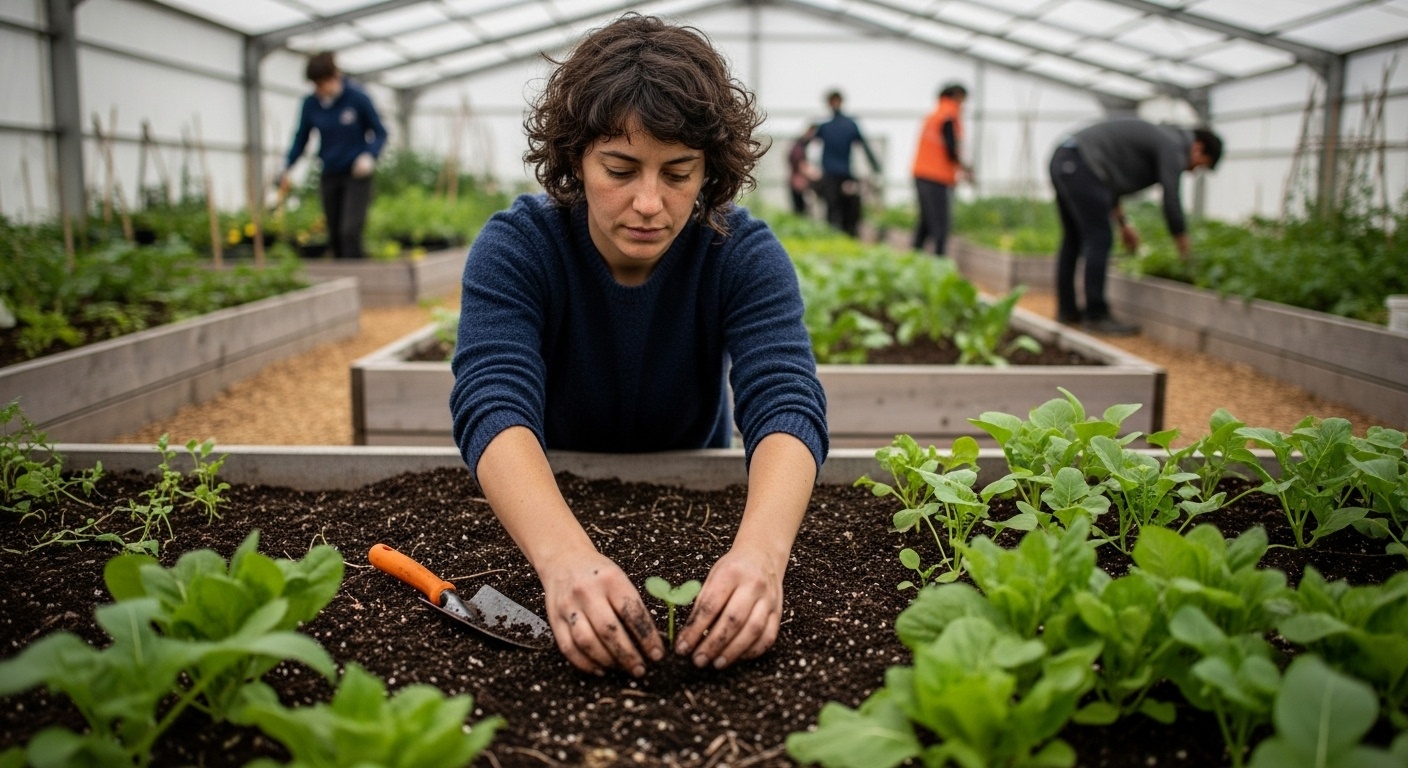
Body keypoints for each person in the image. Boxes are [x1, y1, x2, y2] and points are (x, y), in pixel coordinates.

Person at [448, 14, 829, 679]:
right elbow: (491, 397)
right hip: (547, 490)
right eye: (620, 169)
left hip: (694, 486)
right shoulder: (519, 247)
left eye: (678, 173)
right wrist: (563, 560)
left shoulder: (740, 253)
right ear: (575, 160)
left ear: (710, 172)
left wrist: (761, 558)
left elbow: (786, 397)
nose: (649, 203)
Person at [1049, 117, 1222, 335]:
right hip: (1080, 162)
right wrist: (1184, 248)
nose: (1193, 171)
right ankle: (1096, 315)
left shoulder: (1163, 138)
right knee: (1099, 238)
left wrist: (1124, 225)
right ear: (1198, 148)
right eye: (1201, 165)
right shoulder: (1173, 146)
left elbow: (1107, 181)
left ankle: (1067, 311)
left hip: (1067, 157)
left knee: (1073, 238)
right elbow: (1171, 199)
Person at [279, 51, 388, 259]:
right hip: (330, 173)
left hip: (356, 175)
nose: (319, 89)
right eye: (315, 85)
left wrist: (369, 156)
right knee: (335, 235)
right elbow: (301, 138)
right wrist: (286, 165)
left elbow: (380, 132)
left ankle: (358, 275)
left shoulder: (357, 97)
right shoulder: (311, 104)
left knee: (349, 231)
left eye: (322, 83)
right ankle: (343, 276)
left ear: (334, 76)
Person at [810, 90, 881, 237]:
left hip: (837, 174)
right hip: (839, 174)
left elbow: (806, 143)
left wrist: (875, 167)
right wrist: (876, 167)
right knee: (842, 210)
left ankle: (838, 237)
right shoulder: (844, 125)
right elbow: (865, 147)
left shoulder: (828, 127)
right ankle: (842, 237)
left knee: (837, 209)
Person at [910, 83, 970, 256]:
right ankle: (939, 260)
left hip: (922, 173)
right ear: (956, 96)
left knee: (926, 220)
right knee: (940, 223)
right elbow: (951, 148)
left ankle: (913, 257)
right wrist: (964, 167)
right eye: (963, 100)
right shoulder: (948, 115)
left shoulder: (934, 115)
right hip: (936, 175)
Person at [787, 124, 819, 215]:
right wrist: (815, 174)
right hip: (798, 182)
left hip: (799, 181)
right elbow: (801, 165)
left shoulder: (801, 145)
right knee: (800, 210)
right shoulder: (799, 146)